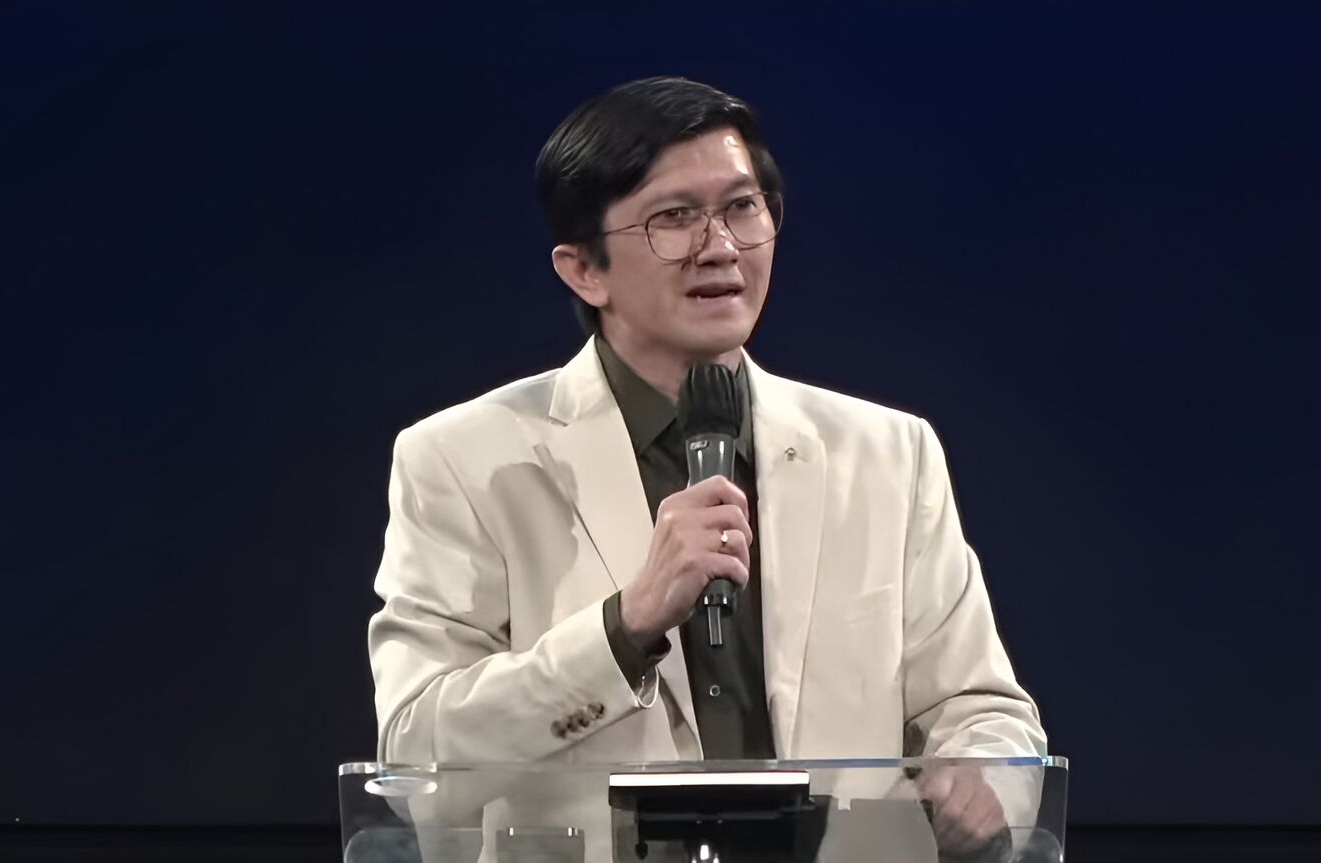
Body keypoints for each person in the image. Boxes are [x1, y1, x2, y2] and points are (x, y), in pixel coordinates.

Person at [368, 76, 1046, 857]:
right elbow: (415, 760)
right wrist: (624, 627)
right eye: (674, 217)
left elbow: (983, 708)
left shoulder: (889, 454)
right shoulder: (463, 459)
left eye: (742, 207)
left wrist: (982, 776)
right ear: (584, 269)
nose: (719, 245)